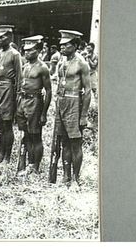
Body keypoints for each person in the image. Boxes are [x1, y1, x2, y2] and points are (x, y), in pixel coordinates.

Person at [50, 30, 91, 185]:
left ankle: (76, 178)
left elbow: (87, 91)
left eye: (66, 45)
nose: (62, 48)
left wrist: (84, 115)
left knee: (75, 142)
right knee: (64, 141)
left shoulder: (81, 63)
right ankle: (66, 177)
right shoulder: (62, 62)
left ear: (74, 45)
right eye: (61, 45)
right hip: (61, 102)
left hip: (75, 103)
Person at [17, 35, 52, 174]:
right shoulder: (25, 66)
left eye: (30, 50)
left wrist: (44, 113)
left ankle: (35, 166)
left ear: (38, 50)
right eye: (25, 50)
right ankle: (28, 163)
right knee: (26, 134)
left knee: (35, 135)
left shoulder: (42, 68)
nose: (27, 53)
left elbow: (48, 90)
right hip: (23, 101)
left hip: (35, 102)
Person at [0, 25, 22, 163]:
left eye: (2, 36)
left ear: (10, 37)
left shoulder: (15, 55)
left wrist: (16, 99)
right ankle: (1, 151)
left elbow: (20, 78)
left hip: (9, 91)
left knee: (7, 124)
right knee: (0, 123)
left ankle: (7, 155)